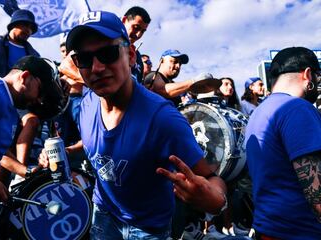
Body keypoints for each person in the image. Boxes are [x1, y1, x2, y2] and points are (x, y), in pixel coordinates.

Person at [39, 10, 227, 240]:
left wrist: (215, 201)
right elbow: (100, 143)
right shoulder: (86, 104)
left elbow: (210, 178)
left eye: (108, 54)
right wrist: (68, 151)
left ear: (130, 55)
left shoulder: (163, 119)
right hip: (104, 216)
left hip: (148, 229)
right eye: (84, 60)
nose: (97, 68)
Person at [0, 55, 61, 239]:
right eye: (41, 91)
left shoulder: (7, 104)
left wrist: (27, 172)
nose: (39, 100)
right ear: (25, 77)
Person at [245, 46, 321, 239]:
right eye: (318, 76)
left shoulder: (258, 113)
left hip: (270, 227)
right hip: (302, 231)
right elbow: (316, 193)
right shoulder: (297, 107)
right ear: (308, 74)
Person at [122, 6, 151, 84]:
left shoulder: (137, 56)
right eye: (136, 27)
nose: (138, 35)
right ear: (124, 21)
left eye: (143, 31)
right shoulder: (105, 42)